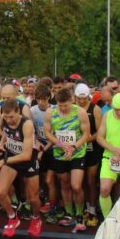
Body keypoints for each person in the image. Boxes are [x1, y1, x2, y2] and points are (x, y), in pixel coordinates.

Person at [0, 99, 42, 238]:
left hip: (28, 161)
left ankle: (36, 218)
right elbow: (6, 132)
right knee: (1, 192)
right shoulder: (5, 119)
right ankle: (12, 217)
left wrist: (3, 161)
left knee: (33, 198)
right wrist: (1, 144)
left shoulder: (27, 124)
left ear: (18, 112)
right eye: (6, 117)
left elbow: (26, 155)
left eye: (11, 117)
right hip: (11, 157)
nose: (9, 120)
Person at [44, 87, 90, 231]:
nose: (63, 108)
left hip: (77, 153)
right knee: (64, 184)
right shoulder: (50, 112)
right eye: (60, 105)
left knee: (76, 185)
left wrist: (74, 147)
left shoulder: (80, 112)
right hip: (60, 153)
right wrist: (60, 144)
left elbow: (86, 134)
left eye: (66, 105)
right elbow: (47, 132)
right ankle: (69, 213)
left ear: (72, 101)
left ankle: (80, 214)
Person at [74, 83, 102, 227]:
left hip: (92, 149)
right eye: (79, 98)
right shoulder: (73, 108)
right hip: (77, 149)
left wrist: (85, 140)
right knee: (81, 181)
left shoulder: (95, 109)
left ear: (88, 97)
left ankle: (92, 210)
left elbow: (100, 132)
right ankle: (85, 207)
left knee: (91, 180)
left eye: (84, 98)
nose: (81, 101)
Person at [30, 83, 58, 223]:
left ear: (49, 98)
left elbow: (55, 136)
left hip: (52, 148)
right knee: (40, 178)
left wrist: (44, 149)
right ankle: (46, 200)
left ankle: (53, 207)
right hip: (39, 146)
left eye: (43, 99)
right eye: (38, 99)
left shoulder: (55, 110)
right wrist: (37, 144)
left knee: (49, 180)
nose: (41, 102)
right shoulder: (32, 111)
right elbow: (31, 131)